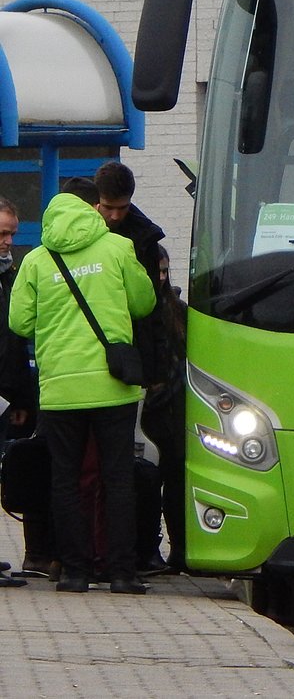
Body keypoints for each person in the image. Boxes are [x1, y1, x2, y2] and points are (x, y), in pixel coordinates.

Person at [8, 191, 156, 594]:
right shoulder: (118, 246)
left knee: (66, 480)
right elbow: (144, 302)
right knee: (118, 478)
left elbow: (20, 322)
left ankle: (75, 572)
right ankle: (122, 573)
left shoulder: (37, 260)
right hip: (113, 385)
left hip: (60, 388)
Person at [92, 161, 173, 573]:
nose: (115, 216)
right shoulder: (85, 232)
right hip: (93, 363)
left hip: (129, 365)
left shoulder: (142, 238)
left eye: (122, 208)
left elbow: (149, 313)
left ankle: (135, 550)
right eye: (109, 208)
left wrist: (155, 370)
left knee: (132, 465)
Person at [137, 244, 186, 572]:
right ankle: (148, 549)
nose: (162, 277)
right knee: (149, 481)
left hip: (178, 407)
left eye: (166, 270)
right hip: (149, 408)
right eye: (158, 270)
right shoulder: (139, 308)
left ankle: (180, 548)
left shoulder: (178, 310)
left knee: (177, 480)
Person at [0, 197, 34, 587]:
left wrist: (21, 399)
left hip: (5, 393)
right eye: (2, 233)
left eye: (11, 233)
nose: (8, 241)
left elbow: (15, 342)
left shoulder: (10, 275)